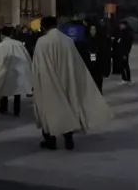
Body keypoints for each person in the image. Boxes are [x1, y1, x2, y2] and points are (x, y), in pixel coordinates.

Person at [32, 16, 113, 150]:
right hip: (66, 80)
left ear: (44, 27)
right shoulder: (67, 40)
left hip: (48, 81)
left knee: (49, 110)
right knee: (67, 108)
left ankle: (50, 140)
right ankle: (68, 139)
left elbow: (38, 65)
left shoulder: (42, 42)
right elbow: (76, 63)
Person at [0, 26, 33, 116]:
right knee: (17, 91)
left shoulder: (1, 45)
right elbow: (26, 58)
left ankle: (3, 107)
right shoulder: (18, 44)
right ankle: (16, 110)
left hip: (5, 71)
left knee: (4, 88)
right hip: (18, 71)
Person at [85, 24, 106, 93]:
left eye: (94, 29)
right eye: (91, 29)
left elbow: (103, 52)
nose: (93, 31)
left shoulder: (100, 40)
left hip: (98, 63)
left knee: (98, 80)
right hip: (89, 63)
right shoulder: (86, 39)